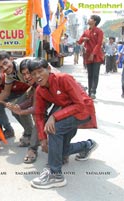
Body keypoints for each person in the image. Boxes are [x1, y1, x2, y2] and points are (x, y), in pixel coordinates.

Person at [28, 58, 98, 189]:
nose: (37, 76)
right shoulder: (40, 90)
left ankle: (55, 175)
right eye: (33, 74)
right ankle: (87, 145)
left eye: (40, 71)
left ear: (48, 69)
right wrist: (42, 139)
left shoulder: (64, 78)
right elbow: (38, 114)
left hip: (83, 110)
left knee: (54, 128)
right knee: (60, 151)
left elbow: (79, 104)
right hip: (67, 112)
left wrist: (54, 116)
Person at [4, 59, 40, 163]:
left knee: (41, 119)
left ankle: (33, 147)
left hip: (71, 106)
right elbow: (32, 101)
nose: (27, 77)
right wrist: (19, 107)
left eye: (29, 73)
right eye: (24, 74)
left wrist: (22, 110)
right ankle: (31, 136)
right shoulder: (35, 84)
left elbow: (37, 109)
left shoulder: (43, 81)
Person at [0, 64, 30, 138]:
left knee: (16, 109)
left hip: (26, 93)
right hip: (13, 95)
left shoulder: (11, 77)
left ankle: (29, 131)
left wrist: (15, 104)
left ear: (1, 71)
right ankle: (9, 130)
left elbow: (28, 89)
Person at [77, 15, 104, 99]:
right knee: (90, 75)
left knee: (95, 74)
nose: (88, 20)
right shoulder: (86, 31)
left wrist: (93, 54)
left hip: (96, 56)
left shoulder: (99, 31)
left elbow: (99, 44)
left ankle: (93, 92)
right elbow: (79, 41)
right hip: (88, 56)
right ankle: (89, 92)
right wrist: (83, 39)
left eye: (90, 18)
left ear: (94, 21)